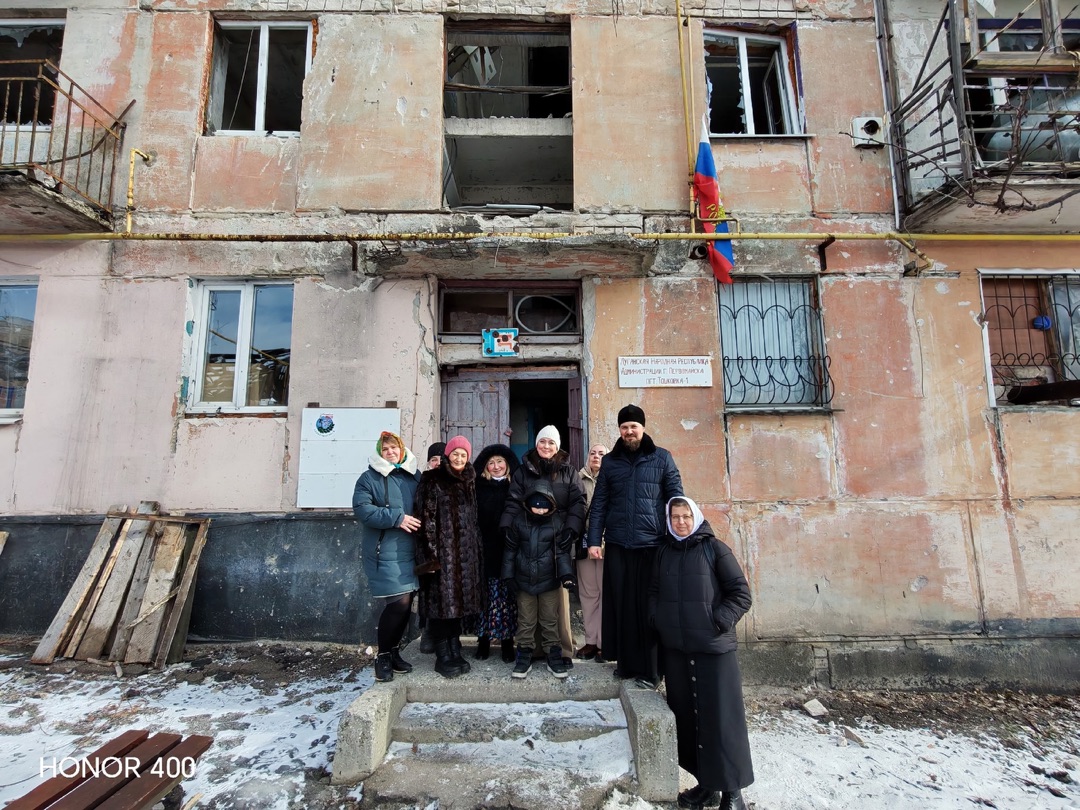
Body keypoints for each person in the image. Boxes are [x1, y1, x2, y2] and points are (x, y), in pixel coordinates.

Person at [648, 497, 753, 810]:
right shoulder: (664, 551)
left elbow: (740, 594)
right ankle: (707, 786)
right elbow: (654, 591)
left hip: (713, 651)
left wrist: (717, 621)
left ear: (695, 517)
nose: (681, 522)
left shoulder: (714, 549)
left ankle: (733, 793)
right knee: (691, 722)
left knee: (722, 721)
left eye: (686, 516)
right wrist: (658, 620)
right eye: (675, 517)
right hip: (678, 652)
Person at [586, 404, 683, 688]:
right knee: (622, 607)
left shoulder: (662, 458)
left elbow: (676, 499)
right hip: (618, 545)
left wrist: (677, 537)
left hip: (652, 545)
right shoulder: (610, 462)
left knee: (648, 608)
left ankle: (651, 671)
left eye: (634, 427)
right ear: (619, 430)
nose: (629, 431)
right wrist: (594, 540)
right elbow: (599, 503)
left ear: (643, 428)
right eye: (624, 427)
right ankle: (626, 665)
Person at [500, 425, 586, 667]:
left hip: (558, 539)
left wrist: (572, 529)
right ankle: (531, 650)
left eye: (551, 443)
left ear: (557, 447)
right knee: (528, 601)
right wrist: (507, 526)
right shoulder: (523, 471)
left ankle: (561, 651)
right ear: (536, 444)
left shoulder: (568, 472)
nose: (546, 446)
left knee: (555, 600)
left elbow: (579, 502)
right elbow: (513, 501)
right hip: (528, 538)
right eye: (542, 442)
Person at [352, 431, 422, 683]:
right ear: (379, 453)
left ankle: (393, 652)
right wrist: (397, 517)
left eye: (394, 448)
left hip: (411, 549)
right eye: (385, 449)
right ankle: (382, 655)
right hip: (385, 550)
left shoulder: (414, 475)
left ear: (402, 450)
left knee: (406, 603)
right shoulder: (369, 478)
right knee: (398, 603)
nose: (390, 452)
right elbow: (363, 510)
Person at [414, 435, 485, 678]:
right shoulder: (432, 479)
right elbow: (425, 521)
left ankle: (455, 648)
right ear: (448, 455)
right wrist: (430, 558)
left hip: (464, 558)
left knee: (457, 607)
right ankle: (442, 654)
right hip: (442, 558)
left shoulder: (469, 480)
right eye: (455, 454)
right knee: (441, 606)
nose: (459, 458)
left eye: (463, 455)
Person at [501, 480, 575, 680]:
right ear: (528, 504)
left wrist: (566, 575)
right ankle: (524, 654)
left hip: (549, 581)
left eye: (544, 507)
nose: (540, 510)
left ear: (551, 505)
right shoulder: (519, 522)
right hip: (524, 582)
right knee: (526, 620)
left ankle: (554, 655)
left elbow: (562, 553)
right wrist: (508, 576)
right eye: (536, 506)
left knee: (550, 619)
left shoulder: (556, 523)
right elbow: (510, 551)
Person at [473, 443, 521, 663]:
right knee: (486, 598)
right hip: (485, 550)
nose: (496, 466)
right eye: (491, 463)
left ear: (507, 464)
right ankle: (483, 640)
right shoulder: (478, 486)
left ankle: (507, 642)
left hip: (510, 550)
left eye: (500, 461)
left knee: (507, 599)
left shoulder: (516, 486)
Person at [575, 443, 608, 662]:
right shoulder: (577, 480)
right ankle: (591, 641)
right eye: (592, 453)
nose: (596, 456)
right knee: (589, 594)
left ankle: (605, 642)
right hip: (585, 542)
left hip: (608, 543)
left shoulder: (613, 479)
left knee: (606, 592)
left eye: (601, 453)